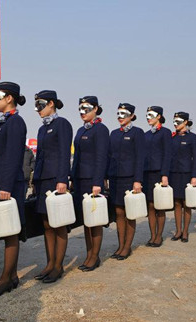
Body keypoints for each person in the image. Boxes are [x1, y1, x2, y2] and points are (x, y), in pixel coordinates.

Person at [0, 82, 27, 297]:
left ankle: (5, 279)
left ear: (9, 98)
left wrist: (6, 186)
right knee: (5, 230)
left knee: (10, 231)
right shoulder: (2, 123)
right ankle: (11, 276)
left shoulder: (16, 122)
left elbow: (13, 156)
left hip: (7, 185)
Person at [32, 90, 72, 283]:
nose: (37, 109)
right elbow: (39, 156)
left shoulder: (62, 124)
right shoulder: (41, 129)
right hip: (42, 180)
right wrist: (35, 180)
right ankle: (49, 263)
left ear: (50, 104)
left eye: (40, 104)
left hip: (56, 180)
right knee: (46, 224)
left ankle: (58, 266)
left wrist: (63, 179)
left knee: (59, 223)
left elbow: (65, 154)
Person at [71, 96, 109, 271]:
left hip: (92, 181)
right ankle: (88, 254)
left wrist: (97, 182)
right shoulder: (80, 130)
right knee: (86, 220)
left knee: (95, 220)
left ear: (95, 109)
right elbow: (76, 157)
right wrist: (72, 178)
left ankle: (95, 257)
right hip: (80, 180)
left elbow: (101, 157)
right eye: (80, 109)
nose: (82, 112)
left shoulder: (100, 130)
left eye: (86, 108)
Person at [108, 103, 144, 260]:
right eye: (118, 113)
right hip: (115, 177)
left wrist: (138, 180)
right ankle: (120, 245)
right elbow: (109, 157)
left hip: (130, 178)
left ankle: (127, 247)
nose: (120, 117)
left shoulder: (138, 133)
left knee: (129, 213)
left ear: (132, 116)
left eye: (124, 114)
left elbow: (140, 158)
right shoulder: (114, 133)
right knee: (118, 212)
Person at [143, 106, 171, 247]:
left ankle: (159, 236)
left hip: (159, 173)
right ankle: (152, 236)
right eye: (147, 115)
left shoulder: (165, 133)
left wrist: (164, 174)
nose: (148, 117)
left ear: (159, 116)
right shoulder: (146, 134)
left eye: (151, 115)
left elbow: (167, 155)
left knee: (159, 206)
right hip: (147, 173)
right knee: (150, 206)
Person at [169, 112, 196, 243]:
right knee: (176, 203)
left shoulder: (193, 138)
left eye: (179, 121)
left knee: (187, 204)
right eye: (175, 121)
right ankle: (178, 231)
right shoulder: (172, 137)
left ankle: (185, 231)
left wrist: (194, 176)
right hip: (174, 173)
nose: (176, 124)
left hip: (187, 173)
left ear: (186, 122)